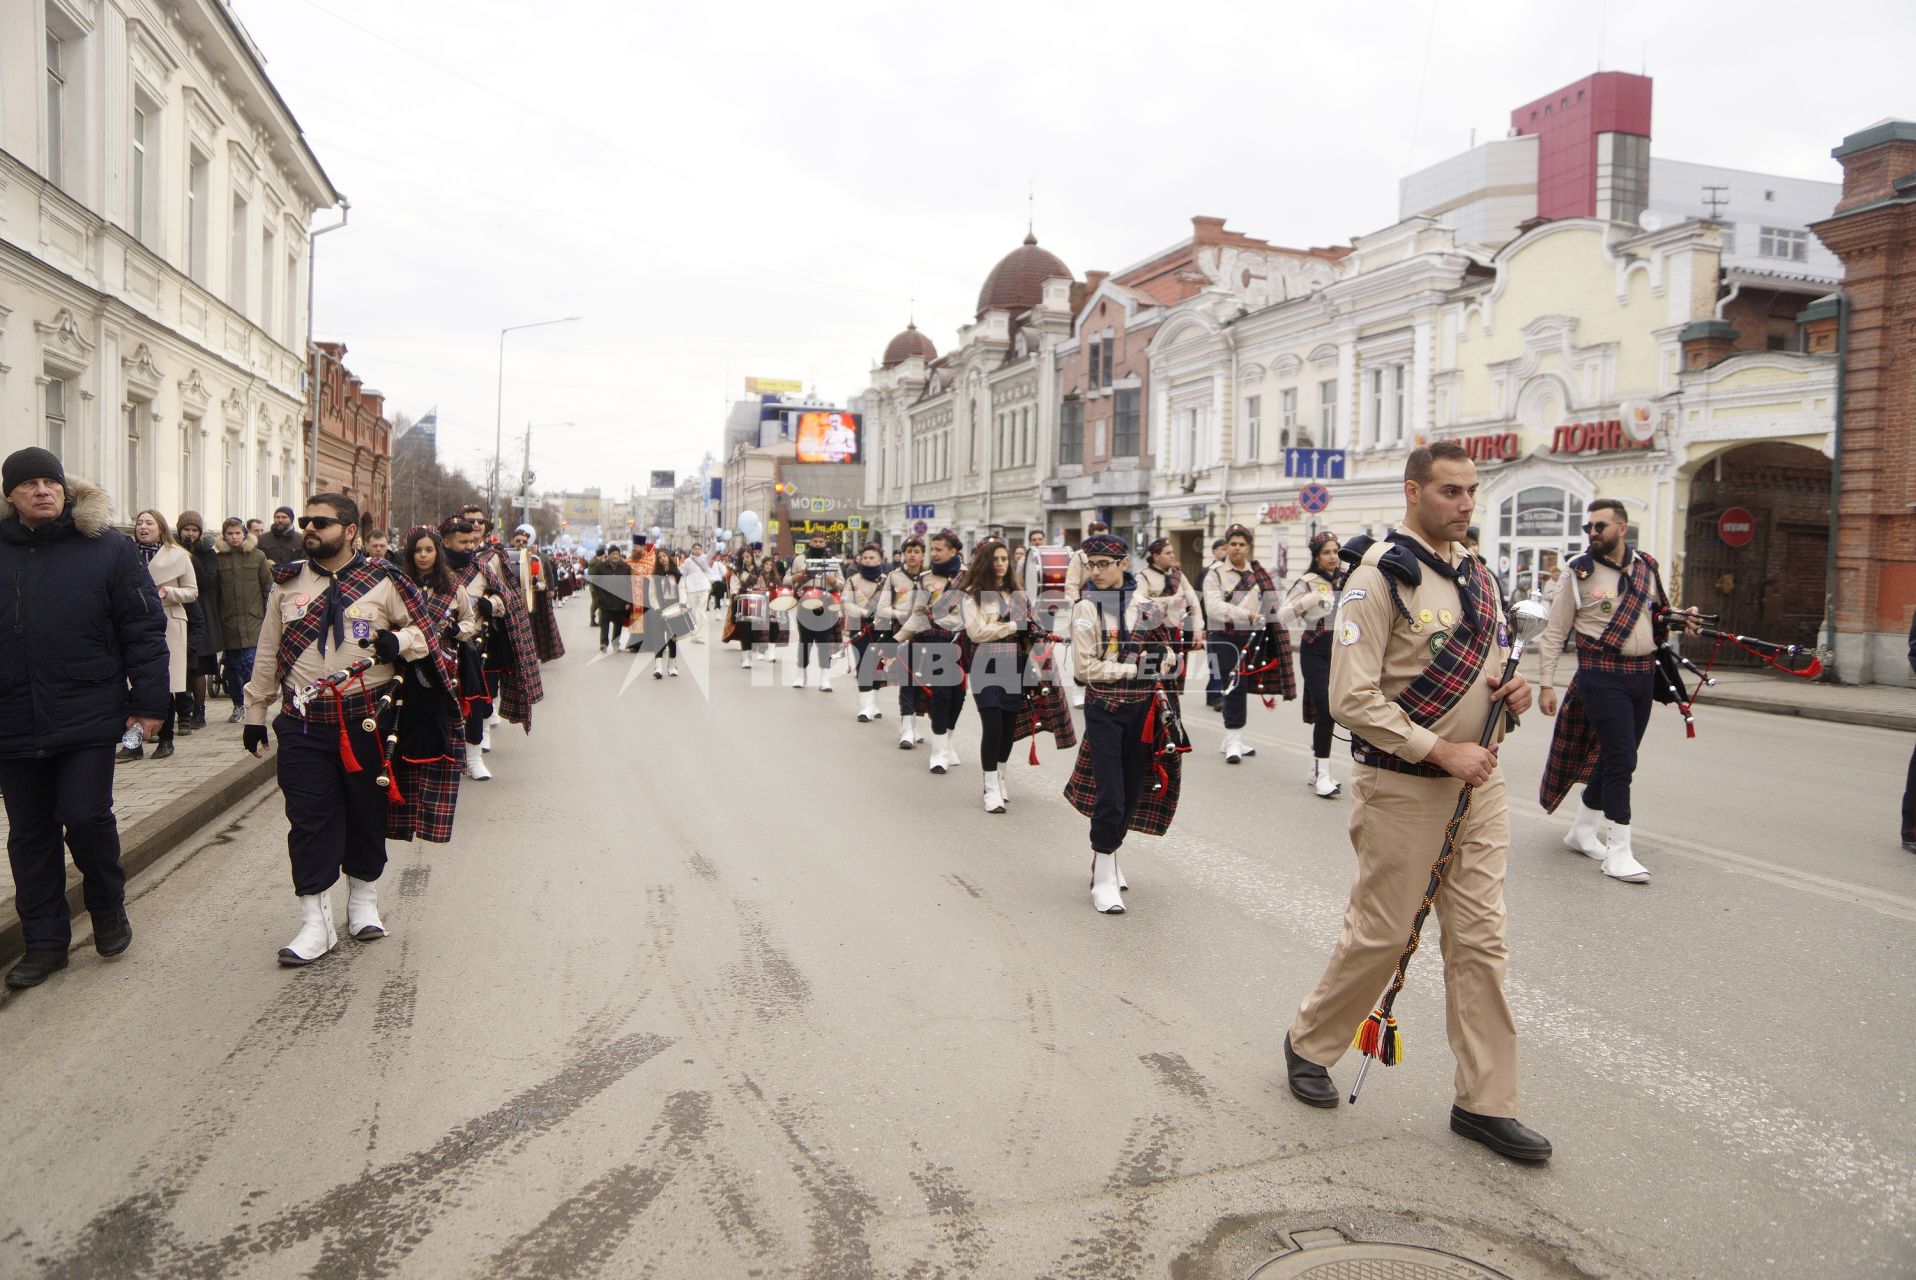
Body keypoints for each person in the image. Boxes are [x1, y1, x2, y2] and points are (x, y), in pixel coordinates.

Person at [1282, 442, 1548, 1164]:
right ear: (1413, 492)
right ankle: (1310, 1042)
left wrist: (1513, 697)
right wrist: (1438, 749)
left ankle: (1485, 1102)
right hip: (1403, 787)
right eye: (1451, 492)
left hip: (1478, 787)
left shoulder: (1481, 578)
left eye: (1471, 492)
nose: (1466, 504)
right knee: (1384, 934)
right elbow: (1350, 697)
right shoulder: (1378, 580)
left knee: (1481, 941)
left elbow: (1490, 673)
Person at [241, 494, 444, 965]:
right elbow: (268, 651)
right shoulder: (287, 582)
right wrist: (255, 713)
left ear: (350, 530)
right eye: (306, 521)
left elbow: (426, 632)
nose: (309, 528)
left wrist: (399, 639)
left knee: (365, 810)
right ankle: (315, 922)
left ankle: (363, 900)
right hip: (304, 722)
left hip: (368, 720)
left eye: (321, 522)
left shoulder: (384, 580)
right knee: (308, 819)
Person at [0, 449, 167, 990]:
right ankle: (45, 944)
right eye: (29, 485)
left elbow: (143, 630)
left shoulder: (108, 549)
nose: (43, 491)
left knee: (86, 816)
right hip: (12, 716)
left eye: (51, 481)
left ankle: (107, 905)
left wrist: (148, 706)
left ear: (66, 490)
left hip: (87, 709)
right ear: (11, 495)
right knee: (29, 834)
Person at [1536, 499, 1694, 885]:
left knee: (1617, 756)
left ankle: (1582, 831)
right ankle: (1619, 852)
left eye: (1601, 526)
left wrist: (1681, 619)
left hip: (1642, 675)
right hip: (1600, 675)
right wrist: (1545, 683)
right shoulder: (1578, 572)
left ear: (1622, 529)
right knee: (1622, 760)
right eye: (1590, 526)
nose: (1593, 532)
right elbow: (1556, 632)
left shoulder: (1647, 566)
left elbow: (1657, 615)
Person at [1062, 533, 1186, 913]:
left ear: (1122, 565)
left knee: (1133, 793)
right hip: (1105, 711)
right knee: (1111, 797)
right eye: (1091, 565)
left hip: (1144, 712)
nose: (1095, 572)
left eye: (1103, 564)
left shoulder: (1145, 605)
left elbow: (1167, 651)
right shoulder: (1085, 609)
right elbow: (1084, 669)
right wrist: (1132, 668)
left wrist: (1165, 660)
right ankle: (1102, 880)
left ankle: (1109, 858)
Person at [388, 526, 472, 845]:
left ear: (438, 553)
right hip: (403, 668)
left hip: (439, 668)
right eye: (417, 550)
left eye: (429, 550)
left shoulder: (452, 587)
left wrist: (452, 630)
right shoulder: (396, 584)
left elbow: (469, 622)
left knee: (435, 731)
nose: (423, 555)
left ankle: (432, 797)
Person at [124, 510, 199, 762]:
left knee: (165, 683)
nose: (142, 527)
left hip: (169, 622)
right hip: (133, 623)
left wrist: (170, 591)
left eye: (149, 523)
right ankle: (132, 743)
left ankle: (166, 739)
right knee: (133, 683)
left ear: (161, 527)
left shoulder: (178, 555)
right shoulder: (126, 553)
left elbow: (192, 591)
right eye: (139, 523)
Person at [960, 538, 1028, 813]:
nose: (1000, 564)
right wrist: (1011, 625)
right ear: (984, 562)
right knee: (993, 724)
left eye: (1004, 559)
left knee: (1009, 728)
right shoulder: (972, 595)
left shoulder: (1017, 593)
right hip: (986, 662)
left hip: (1015, 662)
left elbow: (1027, 627)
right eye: (995, 559)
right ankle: (990, 788)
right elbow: (976, 632)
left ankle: (1000, 776)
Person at [897, 529, 967, 772]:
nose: (934, 554)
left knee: (958, 697)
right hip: (937, 642)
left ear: (953, 551)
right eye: (933, 549)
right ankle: (938, 753)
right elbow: (917, 615)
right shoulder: (925, 579)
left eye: (939, 549)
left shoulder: (970, 577)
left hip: (965, 643)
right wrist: (898, 639)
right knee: (941, 695)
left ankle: (946, 741)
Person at [1288, 532, 1344, 798]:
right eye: (1326, 552)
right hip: (1315, 651)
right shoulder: (1307, 582)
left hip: (1342, 651)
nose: (1332, 557)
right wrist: (1305, 601)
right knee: (1326, 706)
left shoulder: (1347, 578)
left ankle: (1316, 769)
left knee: (1330, 711)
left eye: (1335, 551)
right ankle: (1322, 775)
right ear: (1316, 556)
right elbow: (1282, 614)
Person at [1203, 524, 1265, 764]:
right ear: (1226, 546)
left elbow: (1266, 601)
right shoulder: (1215, 573)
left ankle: (1232, 738)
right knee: (1233, 685)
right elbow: (1214, 607)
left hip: (1248, 636)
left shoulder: (1256, 574)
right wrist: (1246, 615)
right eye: (1233, 544)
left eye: (1242, 544)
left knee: (1241, 686)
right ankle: (1233, 741)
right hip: (1223, 635)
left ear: (1248, 547)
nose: (1237, 548)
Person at [215, 518, 273, 724]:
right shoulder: (219, 559)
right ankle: (237, 704)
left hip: (253, 621)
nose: (234, 537)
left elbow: (268, 588)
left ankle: (252, 704)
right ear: (224, 536)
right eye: (229, 534)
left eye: (237, 533)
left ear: (244, 534)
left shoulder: (257, 557)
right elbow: (215, 592)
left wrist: (269, 615)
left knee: (250, 664)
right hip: (228, 622)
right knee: (232, 667)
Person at [881, 537, 931, 747]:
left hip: (927, 634)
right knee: (907, 680)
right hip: (902, 632)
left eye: (917, 551)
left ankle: (915, 724)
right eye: (908, 551)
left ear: (923, 554)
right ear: (902, 554)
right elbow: (882, 607)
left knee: (923, 681)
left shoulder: (930, 578)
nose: (912, 555)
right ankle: (906, 727)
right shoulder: (893, 577)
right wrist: (901, 613)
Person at [175, 511, 222, 732]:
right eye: (187, 529)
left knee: (199, 667)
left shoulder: (207, 553)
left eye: (194, 530)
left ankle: (199, 710)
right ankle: (181, 712)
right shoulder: (172, 549)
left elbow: (208, 582)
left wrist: (191, 559)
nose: (190, 534)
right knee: (178, 665)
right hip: (177, 610)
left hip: (200, 613)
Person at [784, 531, 844, 691]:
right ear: (810, 541)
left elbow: (842, 583)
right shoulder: (799, 559)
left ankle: (825, 678)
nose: (818, 544)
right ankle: (800, 675)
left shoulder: (832, 560)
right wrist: (799, 577)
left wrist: (835, 581)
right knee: (805, 641)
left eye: (821, 541)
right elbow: (786, 580)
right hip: (805, 604)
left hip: (825, 604)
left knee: (824, 642)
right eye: (815, 541)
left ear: (825, 543)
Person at [840, 543, 892, 723]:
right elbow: (845, 603)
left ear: (880, 560)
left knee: (878, 664)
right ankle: (864, 706)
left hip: (882, 628)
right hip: (859, 627)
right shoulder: (853, 580)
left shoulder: (888, 580)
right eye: (865, 558)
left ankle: (873, 702)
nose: (868, 561)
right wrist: (864, 612)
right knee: (863, 664)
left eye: (872, 558)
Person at [508, 524, 565, 663]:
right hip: (509, 603)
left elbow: (542, 582)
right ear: (512, 541)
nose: (521, 544)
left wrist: (535, 585)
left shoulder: (535, 560)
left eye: (524, 542)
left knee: (528, 634)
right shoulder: (505, 558)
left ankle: (527, 659)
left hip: (528, 603)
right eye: (518, 541)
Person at [639, 549, 685, 678]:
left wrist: (682, 605)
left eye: (664, 556)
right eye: (659, 558)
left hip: (674, 608)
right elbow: (652, 594)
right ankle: (658, 667)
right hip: (659, 609)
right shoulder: (655, 576)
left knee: (672, 638)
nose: (662, 559)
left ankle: (672, 665)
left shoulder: (677, 574)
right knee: (658, 637)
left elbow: (682, 590)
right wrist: (657, 608)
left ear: (668, 557)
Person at [1205, 538, 1229, 710]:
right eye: (1222, 549)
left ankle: (1212, 693)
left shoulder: (1230, 573)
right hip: (1213, 624)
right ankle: (1216, 695)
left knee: (1222, 662)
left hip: (1229, 624)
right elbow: (1201, 599)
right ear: (1214, 551)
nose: (1225, 552)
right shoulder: (1208, 572)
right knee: (1215, 662)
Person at [679, 543, 713, 643]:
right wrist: (683, 588)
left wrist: (713, 539)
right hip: (691, 588)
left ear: (701, 550)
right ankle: (695, 634)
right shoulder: (687, 561)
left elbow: (712, 552)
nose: (697, 550)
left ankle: (698, 634)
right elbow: (684, 575)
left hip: (703, 587)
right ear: (692, 549)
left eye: (699, 549)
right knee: (693, 612)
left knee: (701, 611)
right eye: (695, 548)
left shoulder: (704, 559)